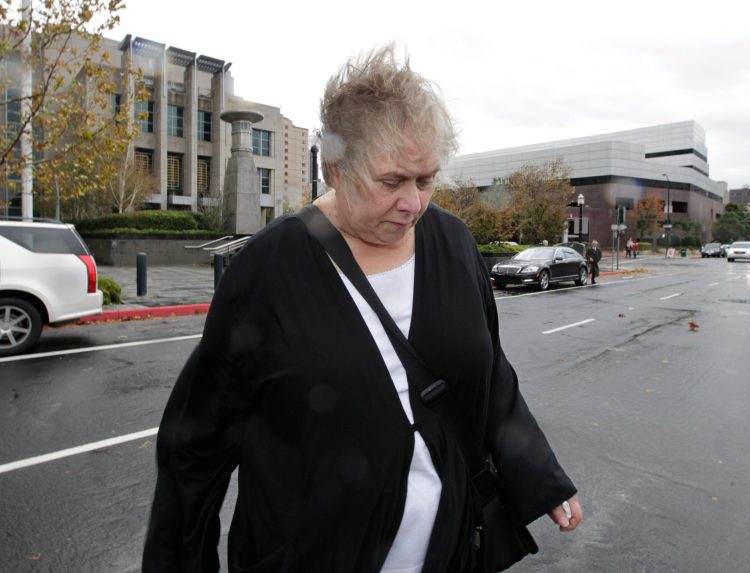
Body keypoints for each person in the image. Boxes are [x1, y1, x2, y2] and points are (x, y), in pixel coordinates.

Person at [142, 45, 581, 573]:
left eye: (426, 179)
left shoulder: (454, 242)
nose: (414, 203)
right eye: (392, 181)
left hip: (449, 548)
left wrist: (539, 475)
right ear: (336, 168)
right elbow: (196, 448)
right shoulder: (268, 271)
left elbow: (490, 377)